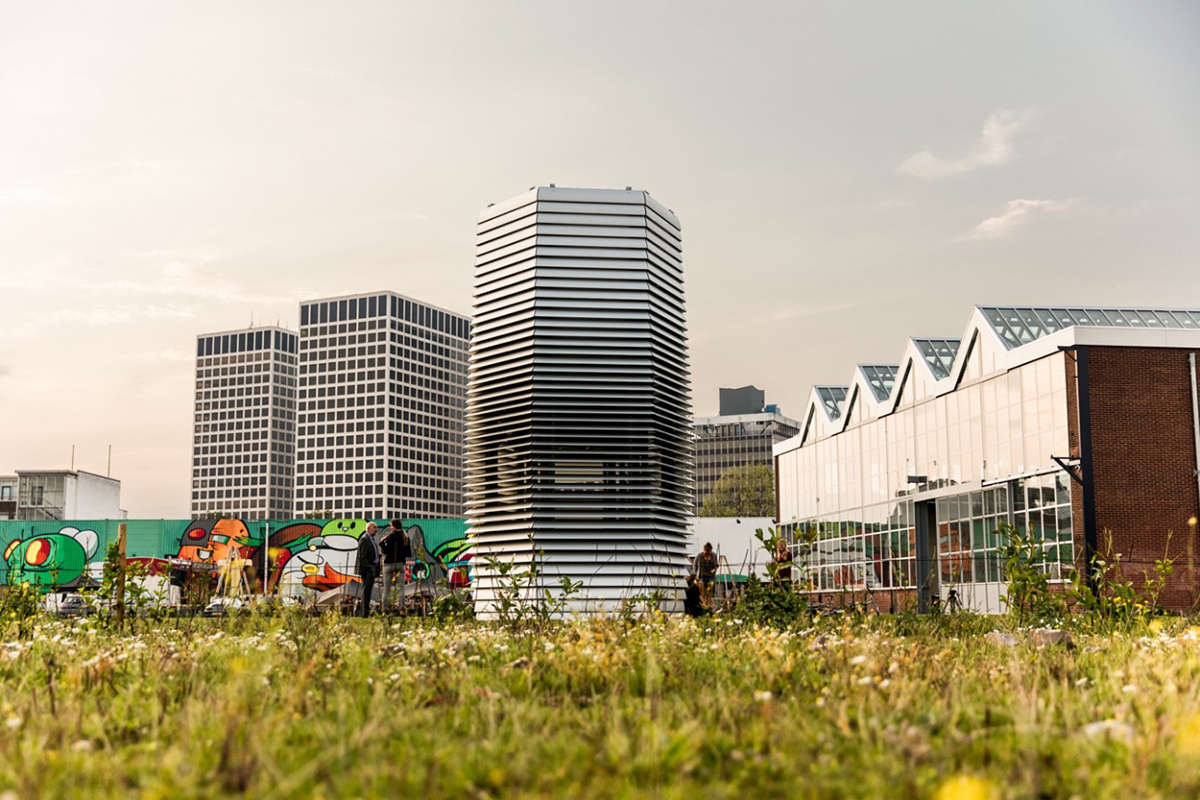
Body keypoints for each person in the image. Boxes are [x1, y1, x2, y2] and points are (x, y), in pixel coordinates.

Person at [380, 519, 412, 613]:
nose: (390, 527)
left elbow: (385, 551)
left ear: (395, 526)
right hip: (400, 564)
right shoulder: (405, 537)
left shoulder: (390, 537)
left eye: (391, 526)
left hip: (388, 564)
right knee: (401, 587)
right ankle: (401, 608)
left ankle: (385, 609)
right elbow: (408, 553)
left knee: (387, 588)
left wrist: (382, 542)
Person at [355, 522, 382, 617]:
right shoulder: (365, 539)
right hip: (367, 570)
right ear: (369, 528)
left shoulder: (370, 539)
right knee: (366, 591)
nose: (376, 529)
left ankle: (365, 612)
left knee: (368, 591)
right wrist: (369, 567)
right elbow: (362, 556)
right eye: (374, 527)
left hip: (371, 568)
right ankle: (364, 613)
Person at [695, 542, 718, 606]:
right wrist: (695, 574)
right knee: (702, 592)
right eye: (706, 552)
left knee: (709, 593)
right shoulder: (699, 556)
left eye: (709, 552)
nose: (707, 553)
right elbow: (695, 565)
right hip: (701, 576)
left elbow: (716, 565)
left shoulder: (714, 555)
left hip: (710, 576)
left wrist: (715, 569)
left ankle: (708, 605)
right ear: (704, 550)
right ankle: (703, 604)